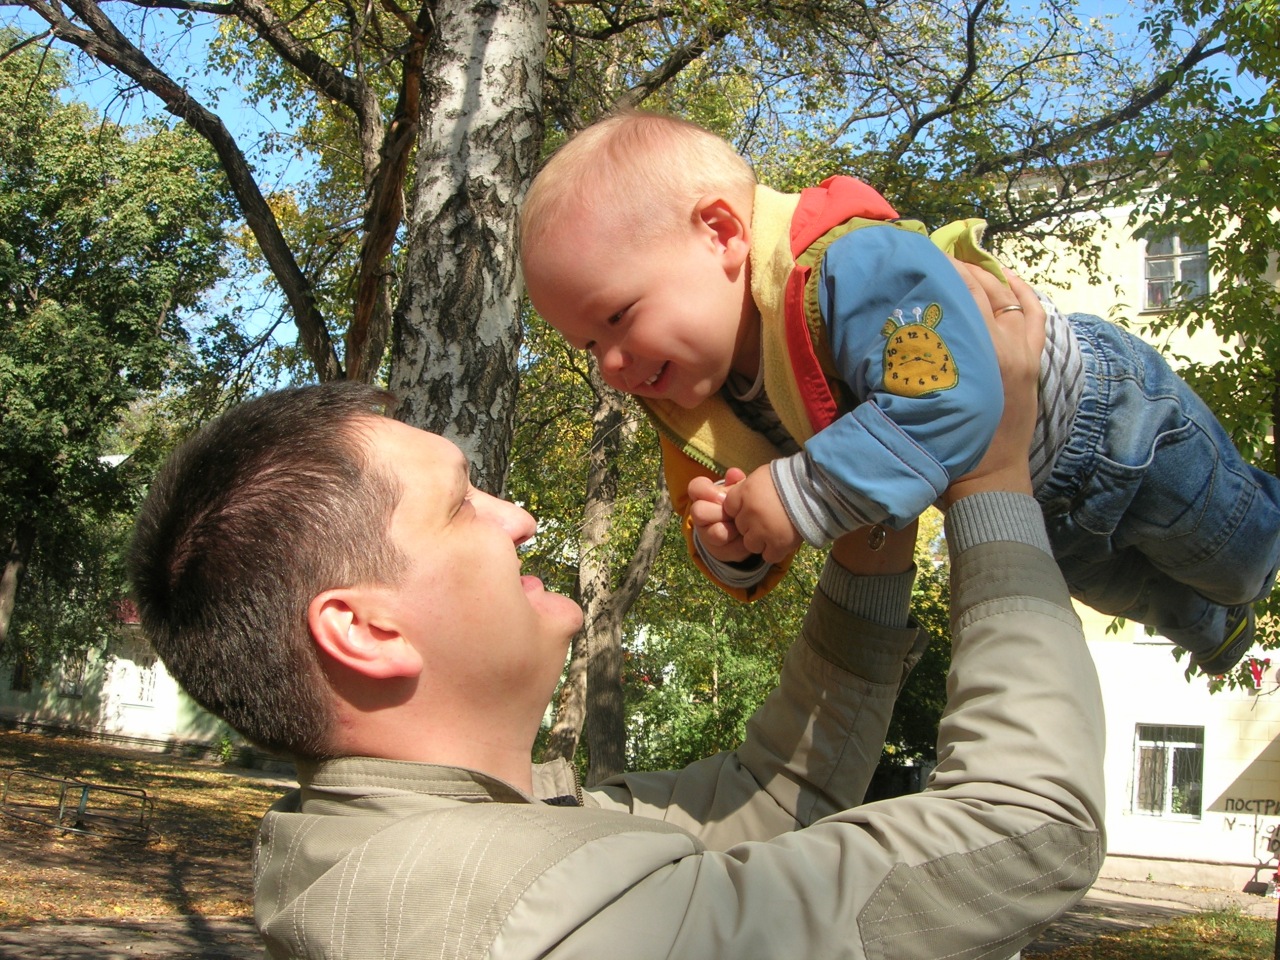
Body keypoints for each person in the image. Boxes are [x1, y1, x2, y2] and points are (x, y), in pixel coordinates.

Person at [126, 286, 1105, 958]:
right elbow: (1028, 831)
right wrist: (990, 475)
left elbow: (777, 795)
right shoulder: (512, 914)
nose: (519, 518)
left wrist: (870, 518)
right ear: (366, 630)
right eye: (462, 505)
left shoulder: (451, 842)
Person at [519, 110, 1280, 677]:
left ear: (721, 233)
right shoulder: (690, 401)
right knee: (1144, 598)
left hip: (1109, 424)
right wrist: (730, 545)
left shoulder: (845, 265)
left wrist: (801, 492)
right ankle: (1214, 627)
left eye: (617, 318)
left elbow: (950, 401)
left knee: (1243, 556)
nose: (611, 364)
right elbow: (707, 511)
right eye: (587, 345)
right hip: (1028, 506)